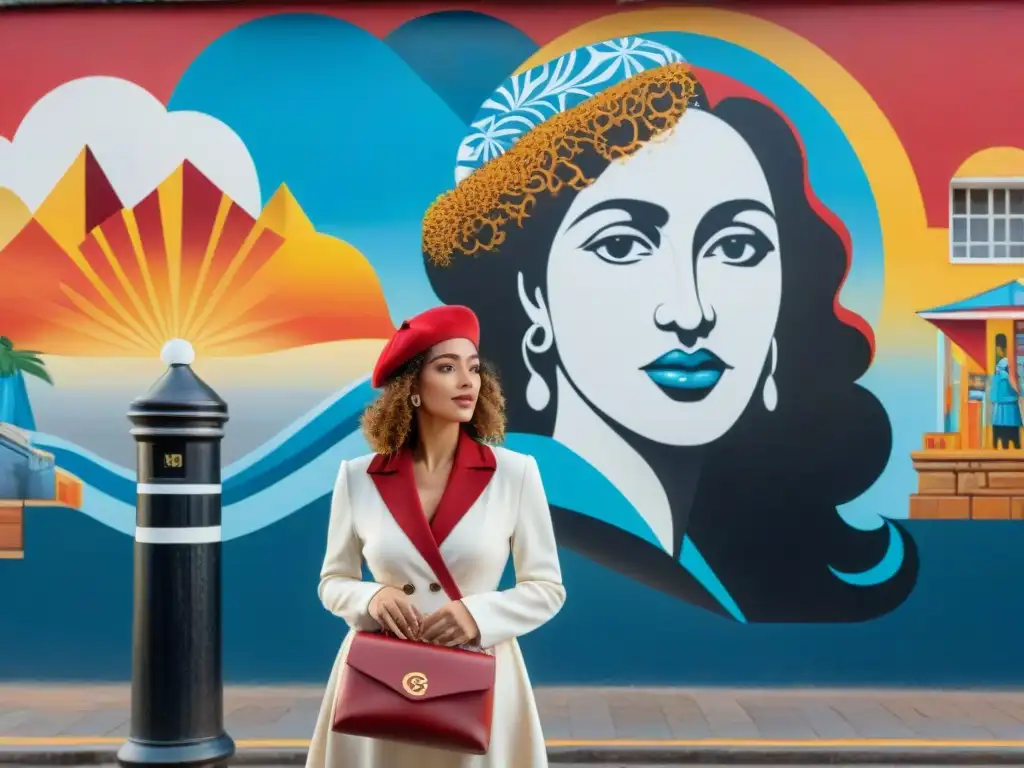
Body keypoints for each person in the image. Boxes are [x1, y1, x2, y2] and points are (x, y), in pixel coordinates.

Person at [422, 36, 918, 623]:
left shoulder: (696, 550)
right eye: (623, 244)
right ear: (536, 300)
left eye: (736, 246)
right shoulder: (518, 505)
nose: (690, 310)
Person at [305, 304, 566, 768]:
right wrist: (371, 598)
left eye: (474, 369)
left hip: (481, 678)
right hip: (378, 678)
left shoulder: (516, 474)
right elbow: (332, 582)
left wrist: (477, 615)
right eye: (447, 368)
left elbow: (546, 589)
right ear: (413, 389)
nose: (468, 382)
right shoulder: (357, 477)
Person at [990, 356, 1022, 449]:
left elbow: (993, 396)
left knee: (1004, 441)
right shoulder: (1008, 378)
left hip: (1000, 416)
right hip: (1010, 414)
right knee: (1014, 441)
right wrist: (1015, 397)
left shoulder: (996, 378)